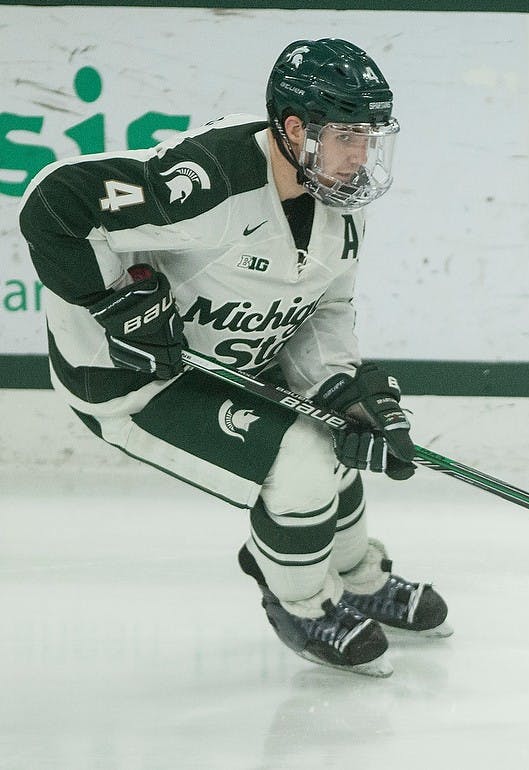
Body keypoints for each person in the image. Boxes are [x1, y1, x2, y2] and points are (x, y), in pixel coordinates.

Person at [18, 38, 450, 678]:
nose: (361, 158)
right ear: (296, 129)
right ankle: (300, 602)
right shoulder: (208, 181)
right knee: (301, 462)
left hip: (226, 360)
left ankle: (358, 579)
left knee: (335, 432)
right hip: (131, 378)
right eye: (347, 137)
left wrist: (341, 389)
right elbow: (56, 203)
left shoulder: (337, 205)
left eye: (370, 138)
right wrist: (112, 304)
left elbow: (325, 312)